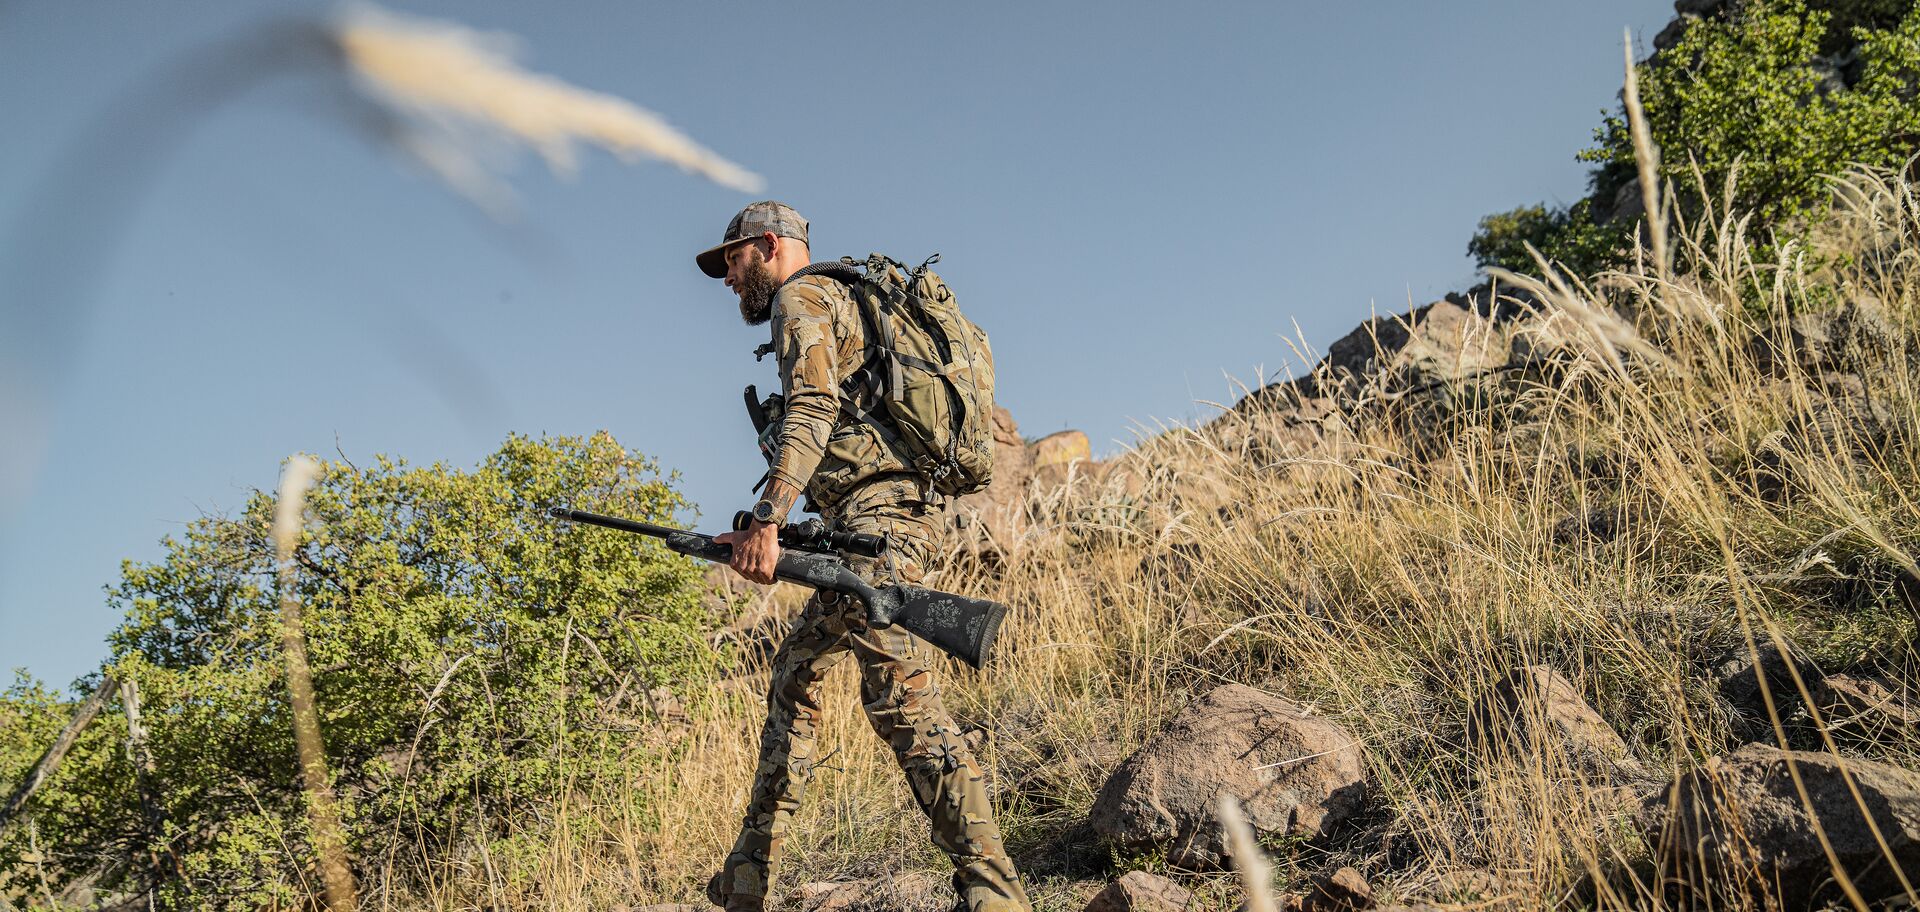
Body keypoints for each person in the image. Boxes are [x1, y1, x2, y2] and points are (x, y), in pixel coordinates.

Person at [698, 202, 1031, 912]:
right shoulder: (843, 298)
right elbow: (854, 450)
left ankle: (994, 888)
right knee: (794, 674)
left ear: (768, 245)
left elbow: (813, 408)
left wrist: (768, 520)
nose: (727, 278)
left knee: (899, 698)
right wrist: (771, 534)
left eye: (731, 259)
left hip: (880, 526)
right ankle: (748, 874)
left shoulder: (801, 298)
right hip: (869, 522)